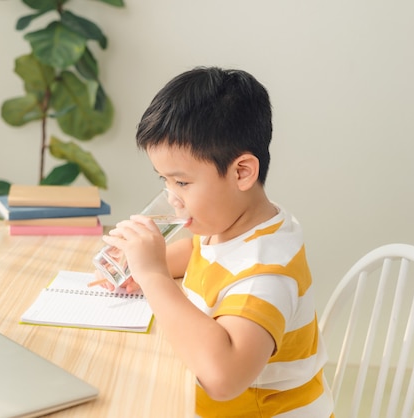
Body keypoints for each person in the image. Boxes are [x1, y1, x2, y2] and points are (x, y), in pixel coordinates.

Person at [100, 67, 334, 417]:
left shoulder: (266, 273)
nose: (172, 198)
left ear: (242, 172)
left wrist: (154, 278)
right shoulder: (232, 224)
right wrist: (148, 264)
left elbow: (224, 378)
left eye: (182, 182)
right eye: (165, 181)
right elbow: (202, 254)